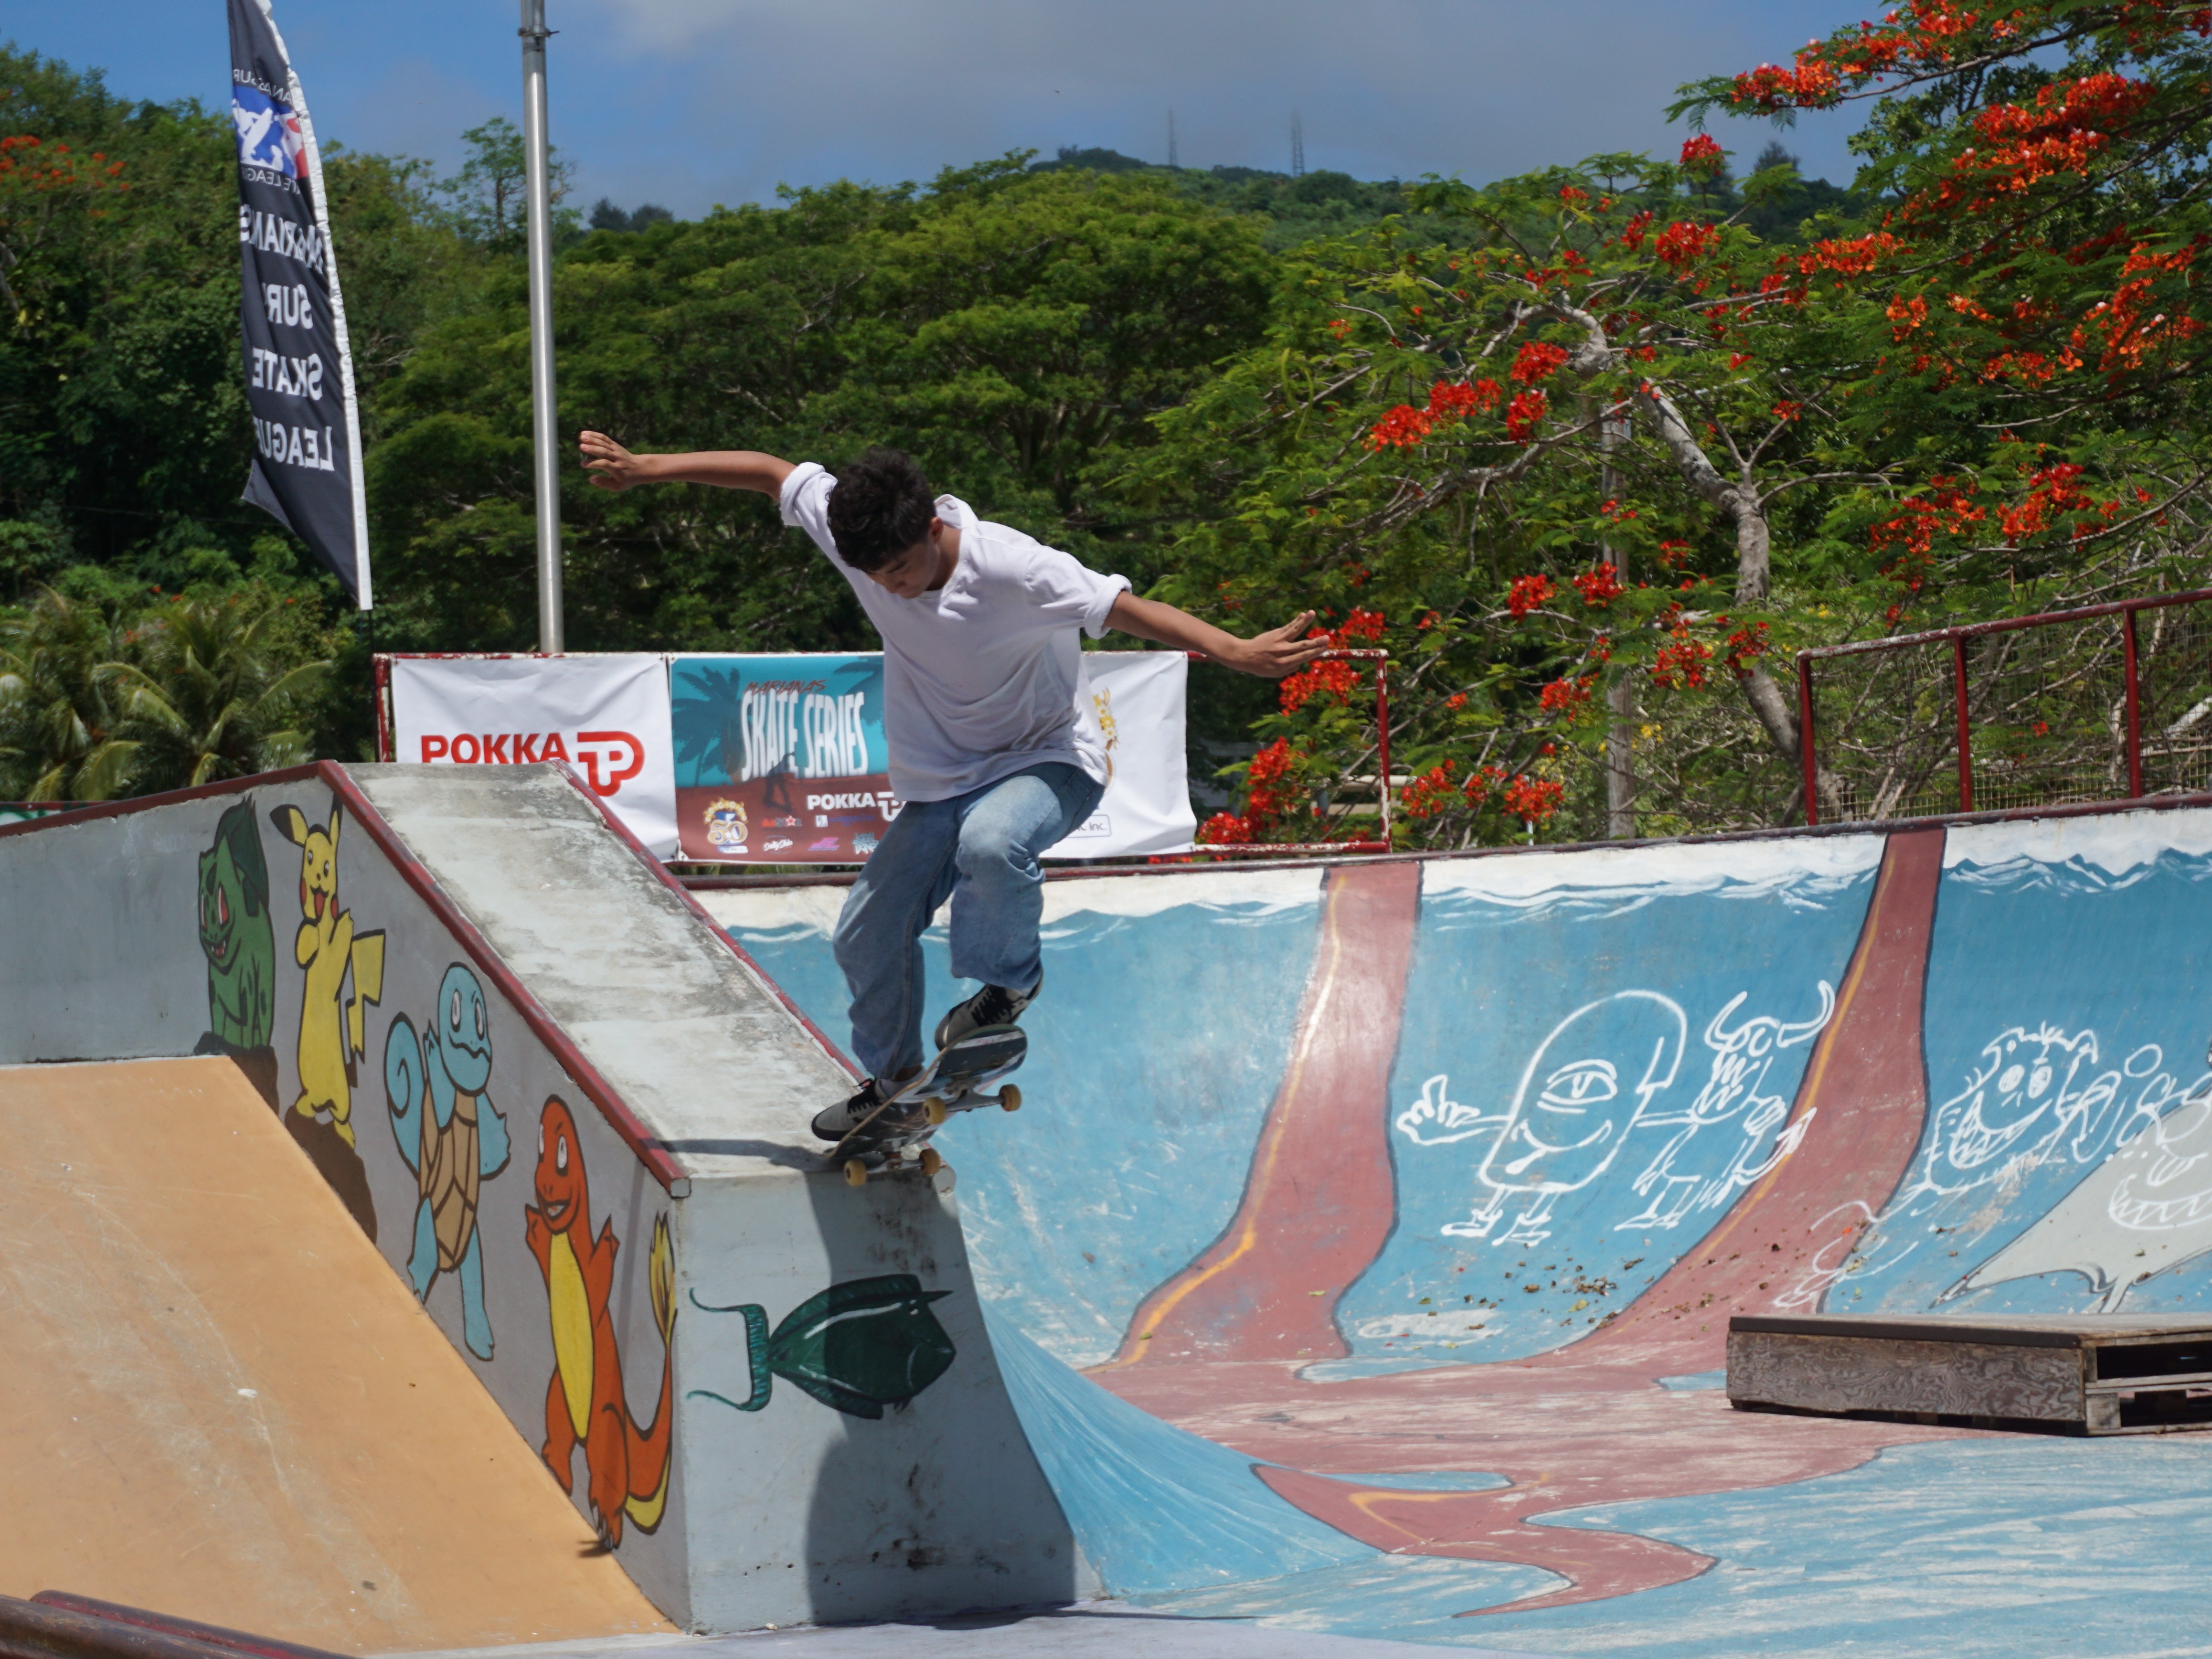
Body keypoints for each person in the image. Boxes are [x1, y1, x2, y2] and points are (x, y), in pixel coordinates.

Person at [577, 432, 1327, 1138]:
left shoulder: (1015, 569)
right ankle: (895, 1082)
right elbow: (772, 472)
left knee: (993, 840)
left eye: (901, 570)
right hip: (943, 785)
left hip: (1051, 762)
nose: (891, 588)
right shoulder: (860, 533)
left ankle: (1006, 987)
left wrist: (1234, 649)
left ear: (934, 527)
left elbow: (1126, 610)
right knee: (865, 931)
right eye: (875, 576)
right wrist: (648, 469)